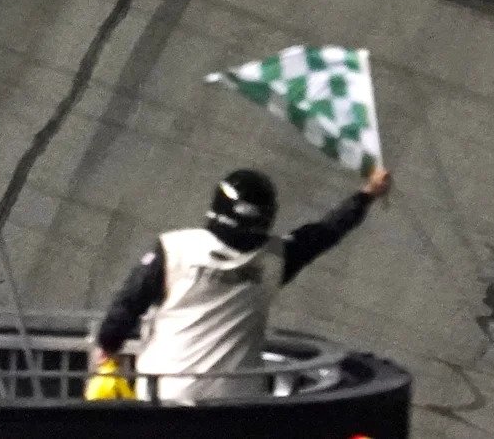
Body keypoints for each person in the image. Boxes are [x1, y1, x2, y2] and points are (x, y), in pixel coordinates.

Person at [90, 165, 392, 404]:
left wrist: (107, 346)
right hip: (240, 402)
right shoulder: (275, 259)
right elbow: (324, 232)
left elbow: (127, 305)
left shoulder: (174, 249)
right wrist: (367, 194)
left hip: (167, 396)